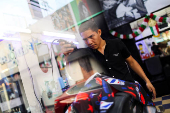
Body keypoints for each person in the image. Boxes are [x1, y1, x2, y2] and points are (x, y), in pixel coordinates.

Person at [60, 20, 156, 99]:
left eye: (91, 37)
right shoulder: (87, 53)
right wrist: (66, 56)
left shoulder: (116, 43)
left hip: (129, 89)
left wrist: (147, 80)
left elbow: (132, 62)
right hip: (110, 96)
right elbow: (73, 70)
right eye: (85, 39)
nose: (89, 42)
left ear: (99, 32)